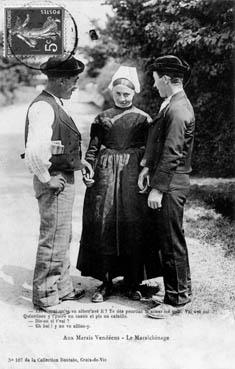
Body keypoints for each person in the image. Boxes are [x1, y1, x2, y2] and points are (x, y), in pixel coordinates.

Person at [77, 66, 161, 303]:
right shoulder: (101, 118)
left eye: (127, 94)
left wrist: (145, 170)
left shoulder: (144, 119)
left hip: (132, 175)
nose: (123, 98)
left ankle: (133, 281)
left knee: (133, 226)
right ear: (111, 93)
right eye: (118, 94)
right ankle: (105, 282)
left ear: (134, 93)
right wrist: (88, 170)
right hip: (105, 176)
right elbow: (92, 150)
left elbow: (151, 151)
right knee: (104, 222)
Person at [24, 56, 93, 312]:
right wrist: (46, 178)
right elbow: (33, 151)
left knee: (62, 235)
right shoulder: (44, 107)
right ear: (62, 80)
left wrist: (79, 162)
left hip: (62, 176)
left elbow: (58, 144)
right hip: (54, 180)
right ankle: (45, 296)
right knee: (53, 237)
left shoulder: (54, 103)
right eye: (74, 81)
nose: (76, 85)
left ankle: (62, 288)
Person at [138, 55, 195, 318]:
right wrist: (148, 167)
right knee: (170, 238)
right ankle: (181, 291)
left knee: (172, 241)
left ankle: (176, 300)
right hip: (169, 179)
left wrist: (158, 188)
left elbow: (172, 152)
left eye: (154, 80)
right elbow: (160, 142)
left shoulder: (178, 108)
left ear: (164, 78)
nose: (153, 86)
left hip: (172, 183)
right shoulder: (171, 104)